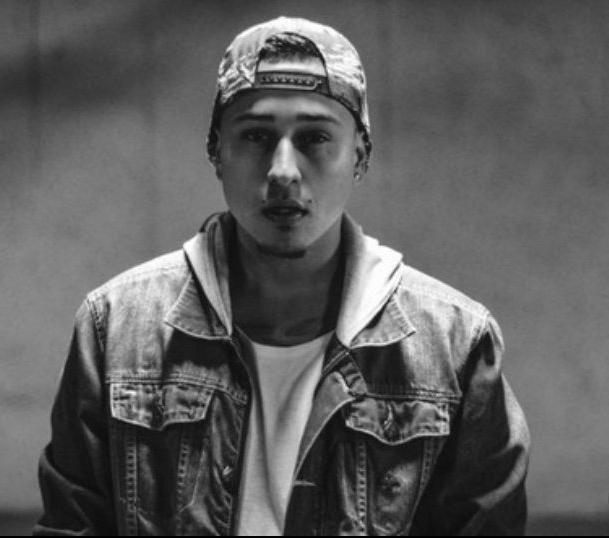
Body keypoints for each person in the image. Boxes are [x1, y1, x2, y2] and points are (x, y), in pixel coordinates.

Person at [34, 16, 529, 536]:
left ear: (360, 158)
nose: (283, 172)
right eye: (256, 135)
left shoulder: (455, 343)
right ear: (216, 152)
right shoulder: (115, 327)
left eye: (315, 137)